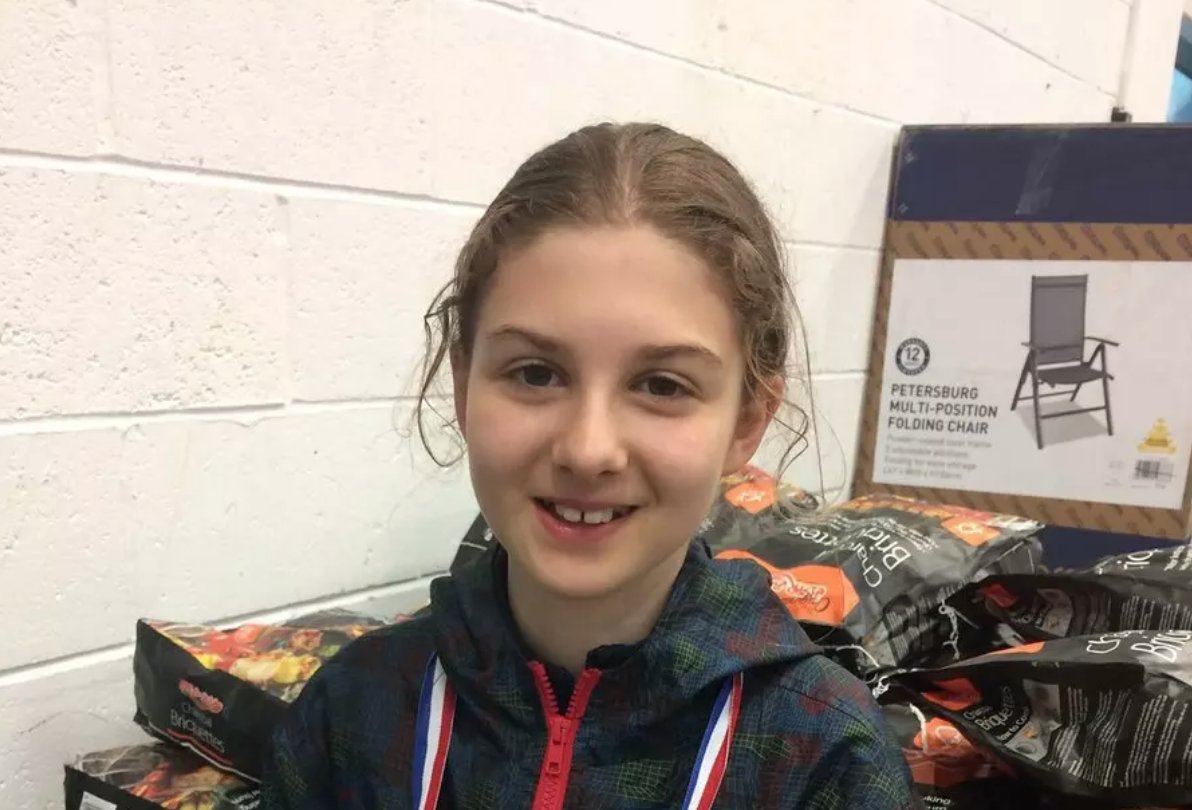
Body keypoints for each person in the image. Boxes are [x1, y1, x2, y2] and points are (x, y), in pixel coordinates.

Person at [261, 122, 918, 809]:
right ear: (463, 387)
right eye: (536, 373)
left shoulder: (826, 759)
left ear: (747, 421)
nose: (587, 449)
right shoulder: (352, 714)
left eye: (661, 385)